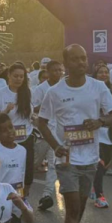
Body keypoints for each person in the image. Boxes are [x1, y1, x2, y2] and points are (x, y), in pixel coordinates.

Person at [38, 44, 112, 223]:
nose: (81, 62)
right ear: (66, 63)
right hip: (66, 159)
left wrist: (100, 122)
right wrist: (56, 146)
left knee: (79, 210)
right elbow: (42, 122)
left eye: (83, 58)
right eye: (75, 59)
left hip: (90, 158)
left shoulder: (98, 87)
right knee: (73, 208)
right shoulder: (54, 92)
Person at [0, 62, 35, 197]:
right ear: (8, 75)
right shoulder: (1, 93)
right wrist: (6, 110)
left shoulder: (28, 93)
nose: (18, 79)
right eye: (15, 76)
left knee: (27, 171)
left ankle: (24, 197)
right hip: (7, 140)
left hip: (25, 137)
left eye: (21, 76)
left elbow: (32, 114)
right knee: (7, 170)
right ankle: (2, 196)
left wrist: (35, 118)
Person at [30, 59, 63, 211]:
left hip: (57, 135)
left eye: (60, 70)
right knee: (34, 164)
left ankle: (47, 195)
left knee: (52, 165)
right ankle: (22, 192)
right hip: (42, 133)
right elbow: (33, 108)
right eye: (55, 70)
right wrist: (47, 106)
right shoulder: (40, 89)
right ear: (48, 72)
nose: (58, 73)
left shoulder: (64, 87)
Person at [91, 64, 112, 208]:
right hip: (96, 132)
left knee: (105, 164)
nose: (104, 74)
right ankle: (100, 195)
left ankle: (94, 186)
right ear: (95, 75)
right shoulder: (90, 90)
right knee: (99, 163)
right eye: (100, 72)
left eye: (106, 72)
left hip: (109, 132)